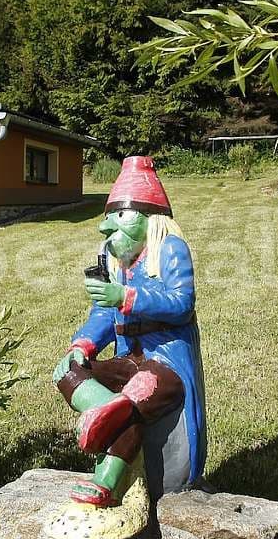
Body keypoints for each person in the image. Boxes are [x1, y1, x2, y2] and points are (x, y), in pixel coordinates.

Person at [53, 156, 207, 508]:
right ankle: (107, 412)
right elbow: (104, 313)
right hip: (129, 358)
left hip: (165, 360)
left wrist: (126, 297)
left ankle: (106, 480)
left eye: (119, 215)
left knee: (138, 393)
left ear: (149, 218)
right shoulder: (116, 262)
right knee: (68, 370)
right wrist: (83, 344)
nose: (105, 227)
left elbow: (182, 303)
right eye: (108, 216)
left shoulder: (170, 249)